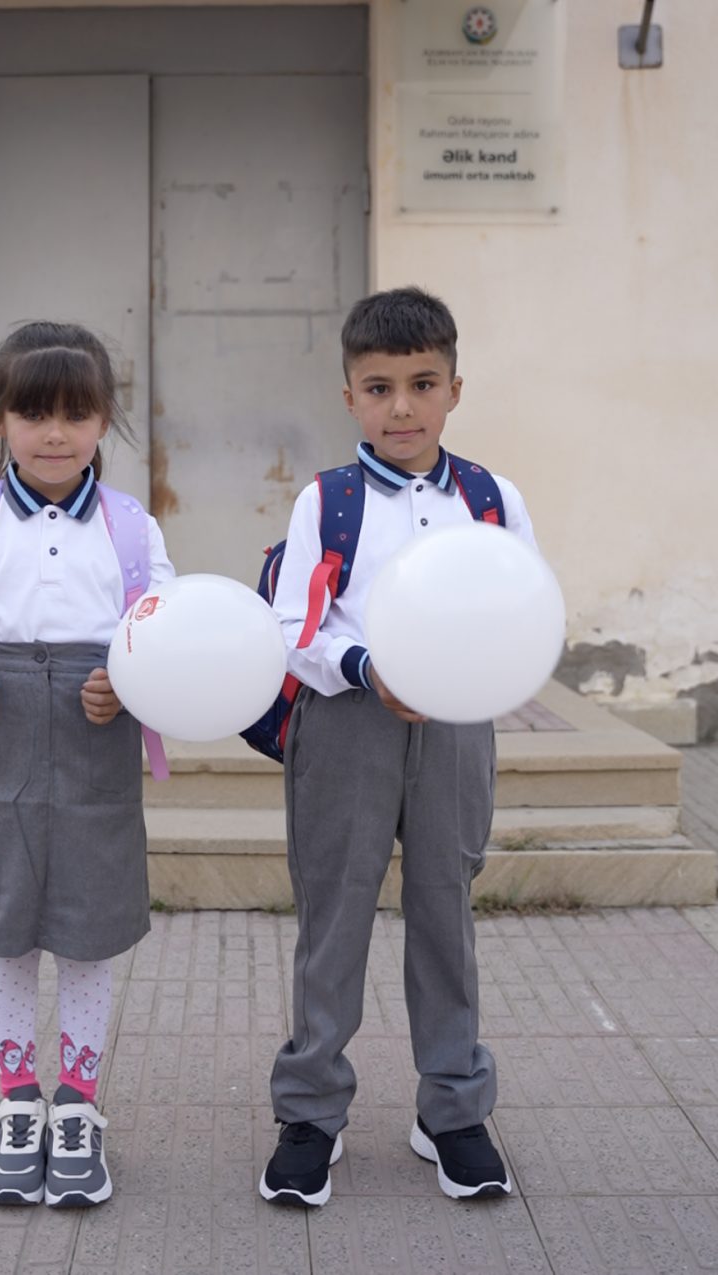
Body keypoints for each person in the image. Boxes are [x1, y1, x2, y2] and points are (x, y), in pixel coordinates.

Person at [259, 287, 536, 1206]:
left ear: (456, 387)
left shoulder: (493, 500)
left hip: (457, 726)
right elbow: (292, 623)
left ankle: (452, 1110)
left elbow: (524, 607)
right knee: (334, 912)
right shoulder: (327, 502)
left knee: (445, 908)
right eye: (379, 388)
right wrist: (365, 663)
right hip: (348, 720)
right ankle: (311, 1112)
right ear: (349, 398)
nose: (403, 407)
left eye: (423, 384)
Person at [0, 322, 174, 1207]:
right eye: (34, 413)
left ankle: (77, 1106)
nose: (56, 433)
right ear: (2, 418)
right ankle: (17, 1102)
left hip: (91, 731)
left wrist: (126, 682)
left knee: (86, 926)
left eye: (76, 412)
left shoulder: (131, 526)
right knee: (7, 925)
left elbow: (166, 632)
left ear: (105, 418)